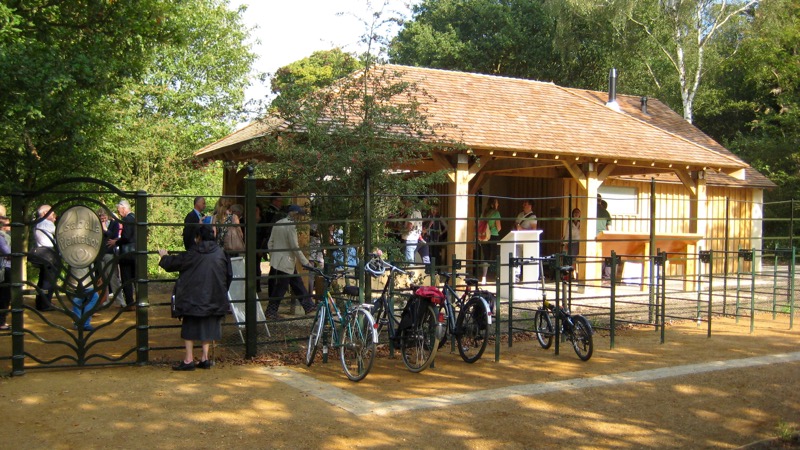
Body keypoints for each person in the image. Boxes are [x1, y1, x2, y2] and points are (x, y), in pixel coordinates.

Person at [158, 225, 232, 371]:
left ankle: (189, 359)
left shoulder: (193, 253)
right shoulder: (221, 253)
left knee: (189, 327)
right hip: (214, 298)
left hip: (192, 298)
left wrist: (164, 256)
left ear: (198, 237)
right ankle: (205, 358)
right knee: (209, 325)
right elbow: (229, 275)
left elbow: (173, 264)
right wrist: (220, 291)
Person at [265, 204, 316, 320]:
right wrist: (305, 262)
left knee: (297, 283)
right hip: (286, 262)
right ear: (295, 214)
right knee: (280, 288)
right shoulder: (291, 226)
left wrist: (274, 256)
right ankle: (271, 312)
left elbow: (270, 243)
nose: (300, 218)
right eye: (299, 215)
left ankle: (309, 306)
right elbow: (294, 246)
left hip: (278, 261)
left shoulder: (278, 223)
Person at [109, 200, 136, 311]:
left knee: (126, 279)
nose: (119, 213)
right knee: (137, 278)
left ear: (124, 208)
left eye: (119, 210)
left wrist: (116, 242)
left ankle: (130, 303)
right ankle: (141, 301)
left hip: (127, 253)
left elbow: (126, 237)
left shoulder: (126, 219)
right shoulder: (136, 217)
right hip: (137, 253)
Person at [33, 204, 57, 311]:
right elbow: (59, 231)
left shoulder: (38, 223)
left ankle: (40, 302)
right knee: (48, 281)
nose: (54, 216)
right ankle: (45, 304)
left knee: (43, 280)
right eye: (52, 213)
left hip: (43, 253)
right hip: (48, 253)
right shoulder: (45, 222)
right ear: (44, 213)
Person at [96, 208, 122, 307]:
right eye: (100, 215)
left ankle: (120, 301)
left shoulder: (114, 224)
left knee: (113, 278)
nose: (102, 217)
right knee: (103, 279)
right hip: (99, 255)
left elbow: (113, 236)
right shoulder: (95, 226)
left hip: (110, 254)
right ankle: (105, 300)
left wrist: (105, 229)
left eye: (103, 215)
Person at [480, 197, 502, 283]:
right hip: (493, 236)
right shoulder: (496, 213)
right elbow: (499, 228)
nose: (498, 204)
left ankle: (484, 277)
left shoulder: (484, 213)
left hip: (484, 236)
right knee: (495, 255)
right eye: (496, 203)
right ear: (493, 204)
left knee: (486, 256)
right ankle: (496, 276)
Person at [400, 199, 423, 263]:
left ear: (410, 202)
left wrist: (402, 230)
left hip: (410, 238)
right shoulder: (418, 211)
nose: (405, 204)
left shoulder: (412, 212)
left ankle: (410, 271)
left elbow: (410, 226)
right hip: (415, 237)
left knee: (409, 259)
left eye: (406, 202)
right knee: (411, 257)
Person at [562, 207, 582, 280]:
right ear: (572, 214)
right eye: (575, 212)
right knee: (572, 259)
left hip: (580, 242)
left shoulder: (582, 222)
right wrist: (565, 244)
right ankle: (571, 274)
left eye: (578, 212)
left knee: (580, 259)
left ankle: (579, 274)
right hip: (572, 242)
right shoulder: (569, 223)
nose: (576, 214)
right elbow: (567, 234)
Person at [0, 216, 11, 330]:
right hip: (4, 269)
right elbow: (8, 252)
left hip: (4, 268)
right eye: (8, 225)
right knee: (4, 296)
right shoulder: (1, 237)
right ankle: (1, 322)